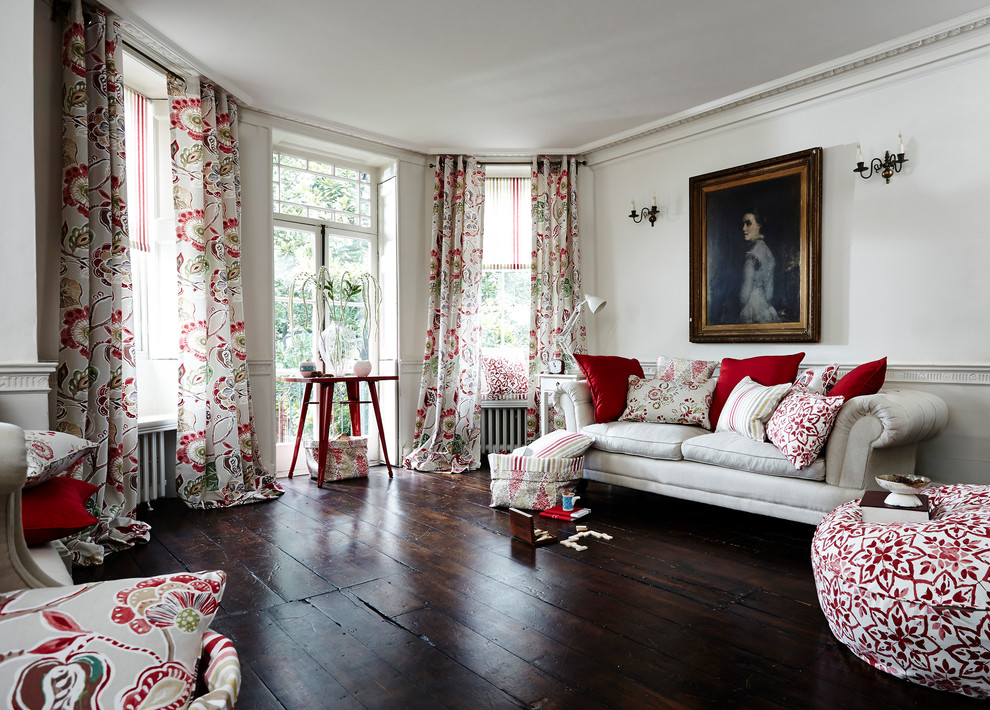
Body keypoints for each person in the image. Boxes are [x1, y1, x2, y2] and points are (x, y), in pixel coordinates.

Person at [739, 209, 781, 323]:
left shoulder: (752, 255)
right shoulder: (767, 251)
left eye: (748, 223)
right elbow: (769, 291)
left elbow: (744, 294)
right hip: (766, 304)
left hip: (752, 304)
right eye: (743, 224)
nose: (744, 228)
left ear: (758, 225)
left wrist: (741, 304)